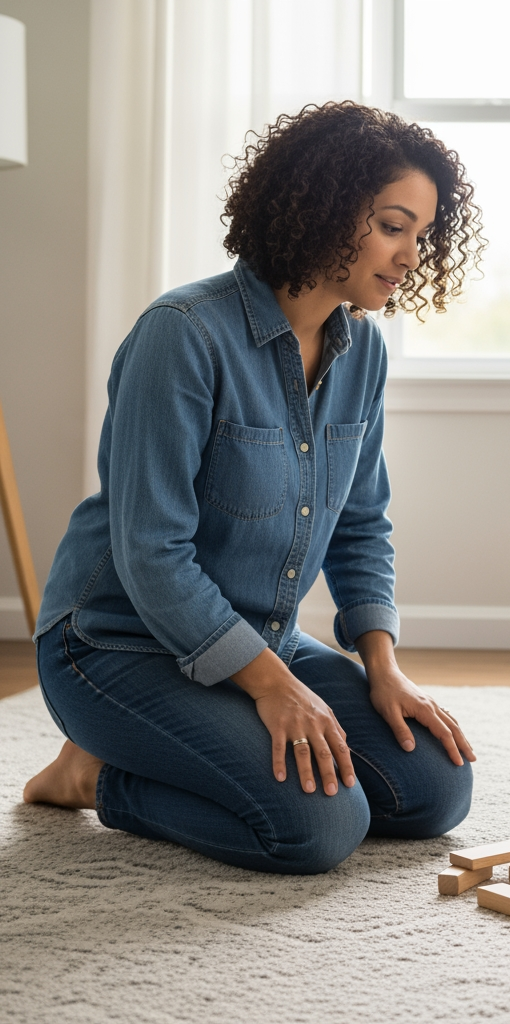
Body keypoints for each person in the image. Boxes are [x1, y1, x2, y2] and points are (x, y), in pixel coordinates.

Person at [23, 101, 484, 875]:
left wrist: (382, 667)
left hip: (256, 639)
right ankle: (94, 774)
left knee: (434, 791)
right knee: (316, 828)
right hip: (114, 645)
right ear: (327, 209)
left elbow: (362, 523)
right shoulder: (182, 334)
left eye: (422, 234)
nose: (411, 254)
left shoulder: (361, 348)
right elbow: (153, 555)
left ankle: (205, 736)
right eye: (393, 225)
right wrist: (274, 689)